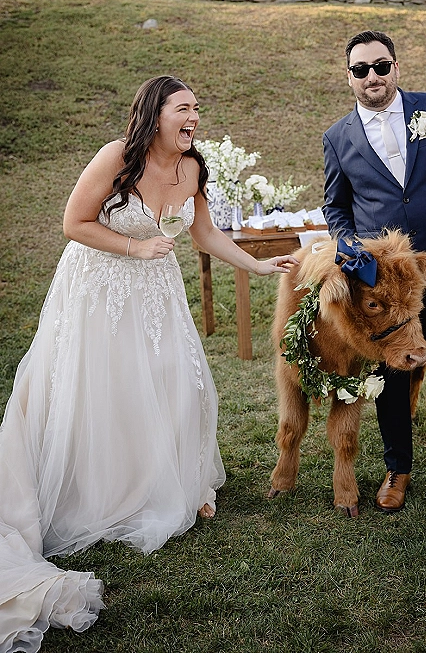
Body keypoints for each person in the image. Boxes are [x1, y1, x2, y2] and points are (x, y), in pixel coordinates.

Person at [0, 76, 298, 651]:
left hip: (158, 295)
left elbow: (205, 235)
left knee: (176, 384)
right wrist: (135, 247)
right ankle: (102, 491)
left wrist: (260, 268)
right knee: (103, 390)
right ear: (155, 115)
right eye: (184, 109)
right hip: (99, 289)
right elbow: (74, 224)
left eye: (197, 110)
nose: (194, 119)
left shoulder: (195, 168)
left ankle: (173, 485)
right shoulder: (117, 157)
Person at [322, 30, 426, 529]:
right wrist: (345, 242)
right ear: (348, 76)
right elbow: (336, 207)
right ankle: (398, 469)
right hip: (384, 288)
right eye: (361, 70)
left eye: (381, 66)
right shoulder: (338, 137)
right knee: (391, 380)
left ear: (396, 67)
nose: (372, 77)